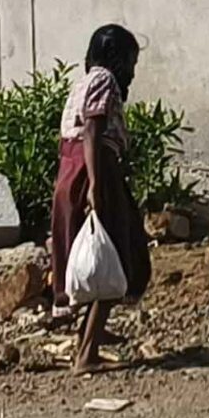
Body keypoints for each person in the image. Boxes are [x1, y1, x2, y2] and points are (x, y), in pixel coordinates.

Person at [52, 25, 154, 373]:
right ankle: (86, 355)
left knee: (93, 255)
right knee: (112, 258)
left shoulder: (82, 83)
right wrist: (96, 183)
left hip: (73, 170)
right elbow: (93, 130)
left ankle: (89, 337)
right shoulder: (105, 81)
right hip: (95, 169)